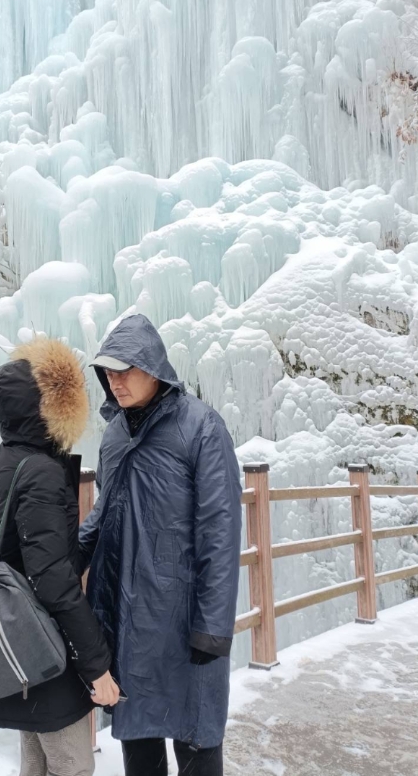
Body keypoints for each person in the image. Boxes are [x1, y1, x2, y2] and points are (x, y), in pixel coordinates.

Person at [80, 314, 242, 776]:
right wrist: (63, 558)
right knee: (138, 740)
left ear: (153, 368)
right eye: (108, 372)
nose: (116, 381)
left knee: (195, 738)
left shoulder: (202, 429)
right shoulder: (114, 435)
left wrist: (213, 627)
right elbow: (101, 515)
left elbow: (220, 532)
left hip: (183, 616)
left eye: (125, 370)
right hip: (127, 619)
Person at [0, 337, 120, 776]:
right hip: (46, 646)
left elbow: (29, 554)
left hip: (15, 639)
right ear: (53, 409)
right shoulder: (41, 472)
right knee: (72, 767)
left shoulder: (1, 461)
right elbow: (53, 582)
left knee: (35, 763)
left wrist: (87, 537)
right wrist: (97, 666)